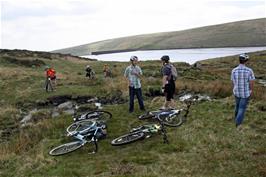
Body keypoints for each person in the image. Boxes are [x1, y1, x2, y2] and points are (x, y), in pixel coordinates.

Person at [231, 54, 255, 128]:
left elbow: (232, 81)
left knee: (237, 106)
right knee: (242, 108)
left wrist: (234, 89)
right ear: (246, 61)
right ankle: (238, 124)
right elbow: (251, 82)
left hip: (236, 91)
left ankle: (236, 119)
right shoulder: (249, 70)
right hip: (245, 92)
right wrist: (251, 90)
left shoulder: (234, 70)